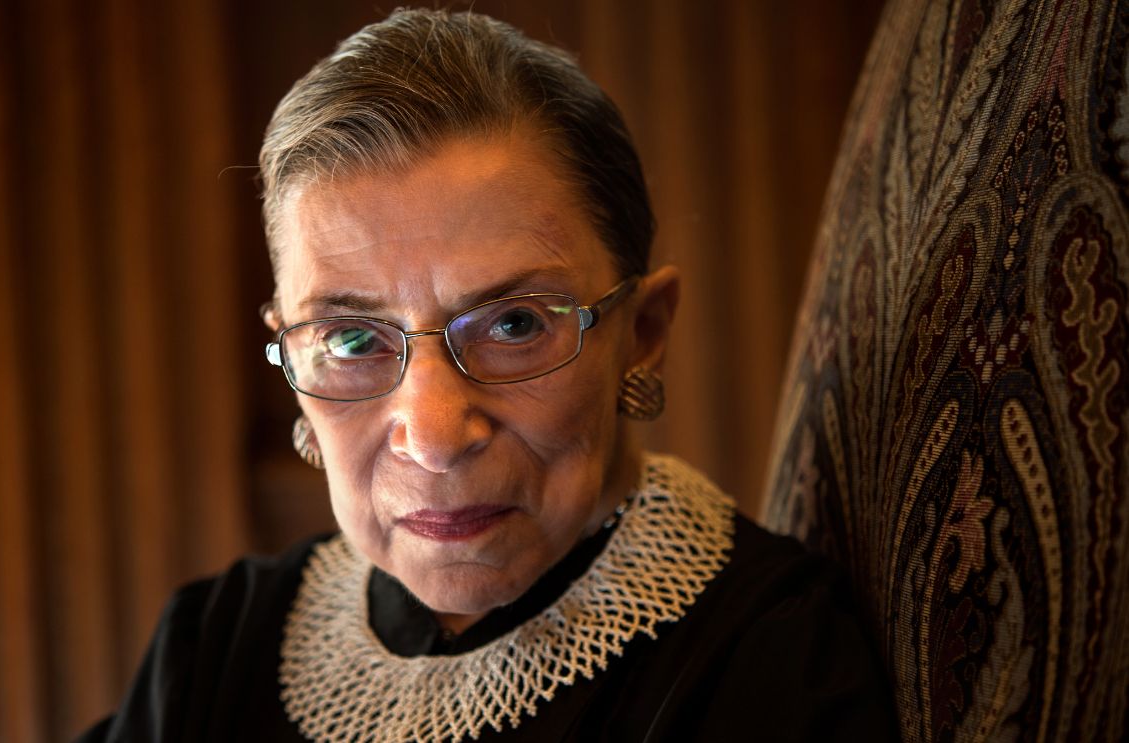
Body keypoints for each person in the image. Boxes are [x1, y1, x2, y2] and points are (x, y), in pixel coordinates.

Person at [78, 8, 896, 742]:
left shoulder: (770, 658)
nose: (433, 436)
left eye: (513, 325)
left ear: (642, 333)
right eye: (353, 339)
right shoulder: (214, 646)